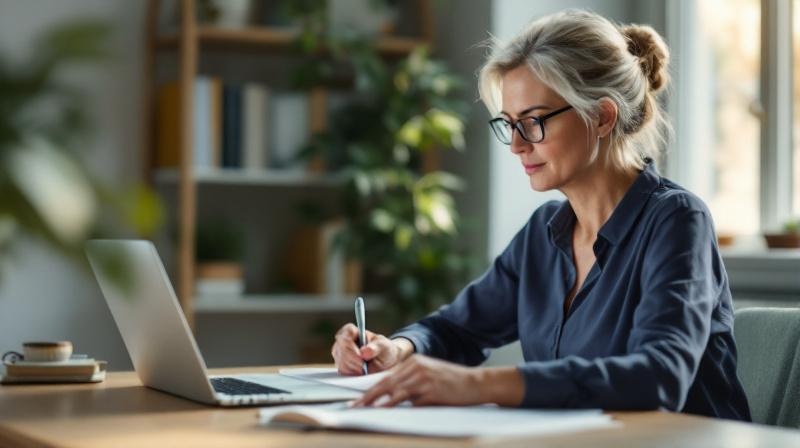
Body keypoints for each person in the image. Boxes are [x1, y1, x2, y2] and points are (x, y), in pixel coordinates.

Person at [330, 9, 751, 420]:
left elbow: (658, 377)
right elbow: (457, 328)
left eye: (533, 122)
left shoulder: (676, 220)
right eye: (509, 124)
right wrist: (397, 349)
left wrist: (479, 385)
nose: (517, 145)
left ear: (602, 117)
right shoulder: (543, 234)